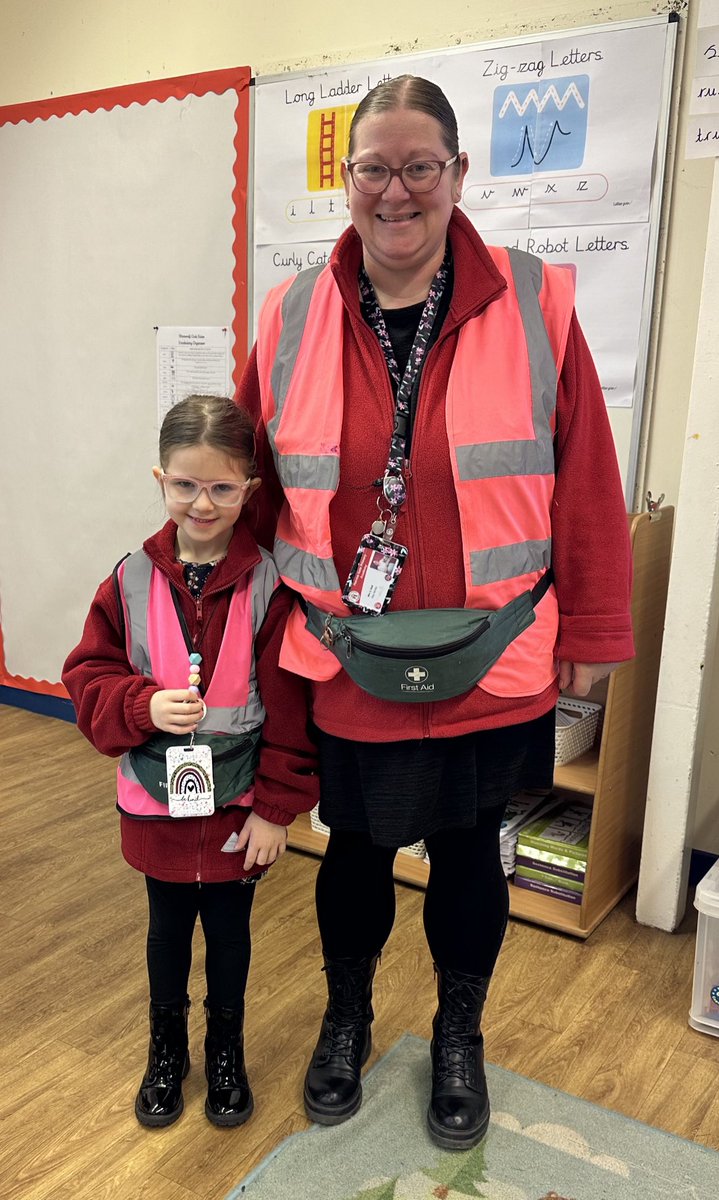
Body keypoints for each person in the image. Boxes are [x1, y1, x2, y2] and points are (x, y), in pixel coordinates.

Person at [238, 75, 634, 1150]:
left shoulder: (533, 298)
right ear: (346, 180)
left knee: (469, 853)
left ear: (458, 175)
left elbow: (585, 475)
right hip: (342, 656)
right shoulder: (288, 315)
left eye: (420, 166)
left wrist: (594, 634)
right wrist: (213, 619)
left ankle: (458, 1035)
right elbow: (249, 486)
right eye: (373, 167)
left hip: (493, 656)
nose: (396, 190)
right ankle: (345, 1016)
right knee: (356, 848)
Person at [62, 395, 317, 1129]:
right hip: (155, 804)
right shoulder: (128, 579)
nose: (201, 503)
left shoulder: (272, 585)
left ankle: (226, 1052)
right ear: (160, 480)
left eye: (222, 487)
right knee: (167, 931)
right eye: (185, 485)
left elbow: (295, 711)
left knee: (230, 936)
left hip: (240, 808)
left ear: (251, 491)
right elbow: (88, 676)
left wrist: (275, 809)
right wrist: (143, 707)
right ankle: (166, 1052)